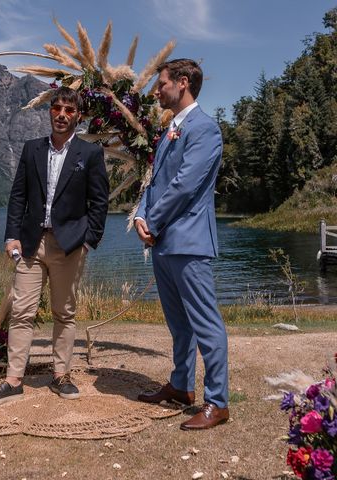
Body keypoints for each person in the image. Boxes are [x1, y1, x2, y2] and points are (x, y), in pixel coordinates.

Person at [0, 87, 109, 407]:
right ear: (50, 111)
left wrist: (89, 240)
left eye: (69, 110)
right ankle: (13, 380)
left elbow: (100, 201)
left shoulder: (90, 154)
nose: (62, 115)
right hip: (31, 243)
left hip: (69, 246)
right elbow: (18, 197)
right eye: (57, 108)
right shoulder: (31, 149)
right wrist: (11, 235)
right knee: (21, 312)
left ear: (78, 116)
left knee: (64, 312)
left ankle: (61, 375)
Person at [133, 59, 229, 430]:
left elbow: (186, 185)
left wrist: (152, 220)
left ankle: (218, 402)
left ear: (183, 83)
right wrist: (141, 214)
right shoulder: (168, 131)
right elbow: (154, 182)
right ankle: (181, 385)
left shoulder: (204, 129)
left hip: (189, 241)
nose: (156, 91)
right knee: (178, 324)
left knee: (206, 325)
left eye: (161, 84)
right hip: (163, 243)